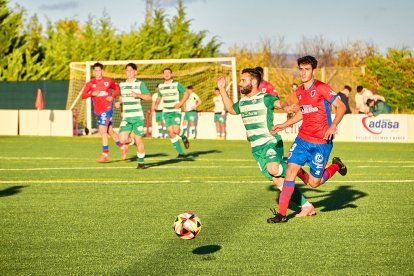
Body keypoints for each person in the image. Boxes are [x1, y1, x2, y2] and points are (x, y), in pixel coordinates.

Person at [217, 68, 316, 218]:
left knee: (273, 169)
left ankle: (295, 168)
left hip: (271, 142)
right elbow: (231, 109)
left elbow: (278, 102)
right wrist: (222, 89)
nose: (240, 83)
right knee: (279, 181)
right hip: (257, 149)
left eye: (243, 80)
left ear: (254, 82)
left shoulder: (264, 98)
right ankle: (307, 206)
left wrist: (286, 107)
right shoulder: (242, 103)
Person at [269, 55, 348, 223]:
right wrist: (284, 124)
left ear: (313, 71)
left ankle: (336, 165)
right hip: (303, 139)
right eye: (301, 69)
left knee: (314, 183)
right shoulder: (300, 92)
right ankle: (282, 215)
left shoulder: (322, 88)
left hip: (321, 143)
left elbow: (341, 106)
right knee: (290, 170)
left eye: (307, 69)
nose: (303, 73)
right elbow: (303, 112)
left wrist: (333, 125)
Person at [81, 62, 127, 163]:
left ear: (102, 71)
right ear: (93, 71)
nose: (97, 72)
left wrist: (112, 96)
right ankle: (123, 147)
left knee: (102, 131)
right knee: (110, 131)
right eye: (95, 70)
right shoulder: (90, 83)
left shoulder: (108, 81)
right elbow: (83, 95)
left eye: (99, 70)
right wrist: (91, 94)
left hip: (107, 108)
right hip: (98, 110)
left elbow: (117, 89)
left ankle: (105, 154)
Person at [115, 63, 152, 169]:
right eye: (127, 70)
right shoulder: (122, 85)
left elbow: (149, 97)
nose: (128, 72)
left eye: (131, 70)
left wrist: (138, 95)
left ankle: (141, 163)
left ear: (135, 72)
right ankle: (132, 141)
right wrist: (119, 103)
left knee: (139, 140)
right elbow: (122, 98)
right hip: (127, 117)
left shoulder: (140, 84)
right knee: (122, 140)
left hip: (137, 117)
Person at [155, 68, 191, 158]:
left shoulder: (176, 84)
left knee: (176, 130)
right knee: (170, 132)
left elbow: (186, 94)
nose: (166, 74)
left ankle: (183, 137)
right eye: (165, 73)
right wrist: (156, 104)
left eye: (168, 73)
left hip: (175, 111)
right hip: (166, 111)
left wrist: (180, 103)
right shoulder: (161, 86)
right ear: (163, 75)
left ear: (171, 74)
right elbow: (159, 97)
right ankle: (181, 153)